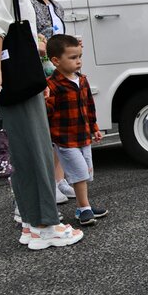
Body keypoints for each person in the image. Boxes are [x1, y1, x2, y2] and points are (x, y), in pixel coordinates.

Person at [0, 0, 83, 249]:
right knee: (34, 150)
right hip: (16, 77)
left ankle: (32, 223)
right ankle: (46, 223)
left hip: (24, 75)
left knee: (28, 151)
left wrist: (36, 41)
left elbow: (14, 25)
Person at [26, 0, 76, 205]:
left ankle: (59, 179)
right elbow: (28, 38)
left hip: (58, 72)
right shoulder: (27, 4)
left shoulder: (57, 6)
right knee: (44, 131)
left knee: (57, 129)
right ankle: (48, 183)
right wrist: (41, 45)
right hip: (40, 73)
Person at [45, 34, 107, 226]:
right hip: (64, 139)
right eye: (72, 58)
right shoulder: (52, 85)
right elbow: (47, 113)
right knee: (80, 172)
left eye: (79, 56)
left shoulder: (82, 80)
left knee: (86, 171)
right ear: (56, 61)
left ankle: (83, 206)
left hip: (83, 135)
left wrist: (94, 127)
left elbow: (89, 105)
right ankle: (84, 208)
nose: (78, 61)